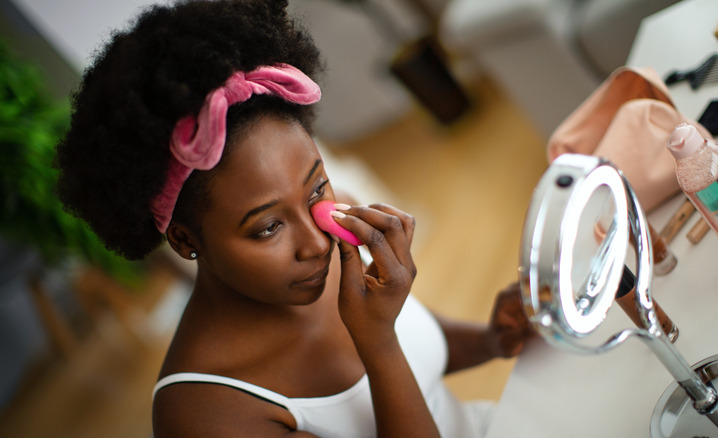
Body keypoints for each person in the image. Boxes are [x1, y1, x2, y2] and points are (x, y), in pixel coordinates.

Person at [55, 1, 533, 436]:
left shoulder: (329, 233)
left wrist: (494, 339)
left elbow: (423, 354)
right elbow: (392, 354)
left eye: (316, 187)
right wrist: (378, 343)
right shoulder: (204, 411)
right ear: (183, 239)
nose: (318, 244)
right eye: (268, 227)